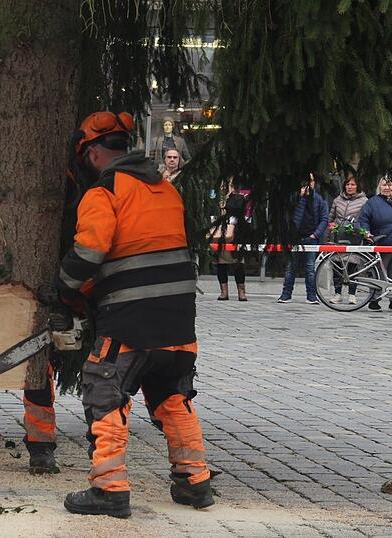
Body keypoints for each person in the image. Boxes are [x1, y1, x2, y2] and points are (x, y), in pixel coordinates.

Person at [56, 110, 212, 518]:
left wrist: (66, 289)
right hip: (178, 319)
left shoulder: (104, 193)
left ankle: (109, 489)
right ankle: (195, 481)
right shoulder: (164, 190)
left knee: (104, 392)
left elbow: (90, 252)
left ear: (90, 153)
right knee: (172, 397)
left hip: (130, 320)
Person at [358, 176, 392, 312]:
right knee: (380, 274)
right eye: (384, 185)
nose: (388, 188)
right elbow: (363, 220)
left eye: (390, 185)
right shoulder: (372, 203)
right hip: (382, 243)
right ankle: (375, 300)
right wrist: (366, 232)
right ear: (379, 187)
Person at [278, 173, 329, 304]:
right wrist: (299, 198)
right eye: (306, 181)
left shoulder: (319, 199)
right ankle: (286, 295)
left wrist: (316, 234)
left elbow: (324, 218)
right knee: (291, 267)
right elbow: (288, 214)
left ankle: (311, 296)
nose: (308, 185)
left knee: (310, 268)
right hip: (295, 238)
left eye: (311, 181)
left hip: (311, 238)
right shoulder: (294, 198)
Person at [328, 172, 368, 304]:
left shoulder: (364, 201)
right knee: (337, 265)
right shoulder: (337, 200)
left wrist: (361, 230)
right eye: (347, 184)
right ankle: (337, 293)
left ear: (357, 186)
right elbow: (331, 217)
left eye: (353, 184)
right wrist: (331, 225)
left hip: (354, 237)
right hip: (338, 236)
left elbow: (365, 219)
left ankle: (352, 294)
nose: (350, 187)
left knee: (353, 266)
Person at [214, 178, 249, 301]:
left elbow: (238, 210)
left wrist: (227, 203)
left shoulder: (238, 198)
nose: (223, 187)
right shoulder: (215, 197)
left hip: (235, 234)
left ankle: (241, 291)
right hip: (219, 234)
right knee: (221, 264)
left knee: (238, 263)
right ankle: (224, 291)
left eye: (227, 184)